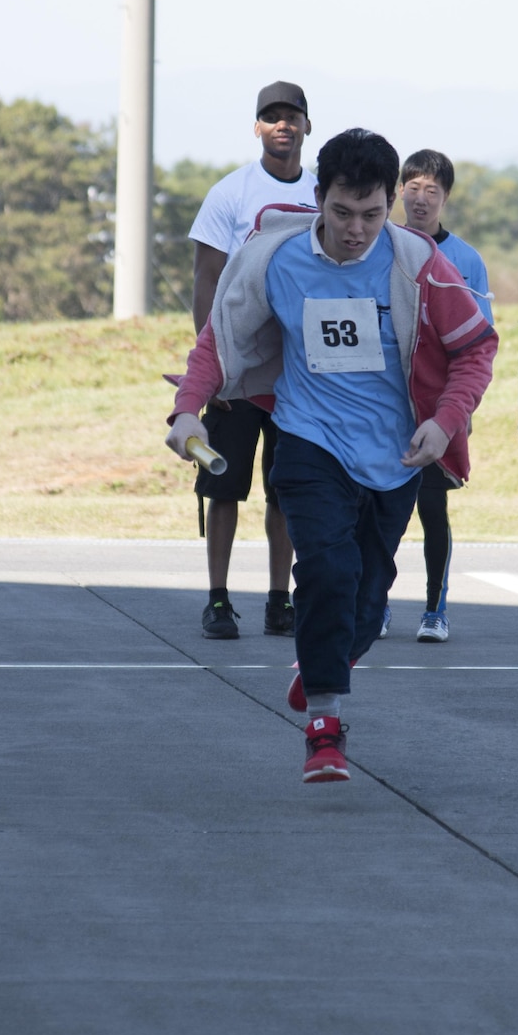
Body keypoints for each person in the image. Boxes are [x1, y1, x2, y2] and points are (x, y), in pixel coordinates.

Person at [165, 129, 496, 782]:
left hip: (397, 458)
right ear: (319, 199)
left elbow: (475, 348)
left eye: (373, 214)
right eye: (343, 212)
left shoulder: (416, 262)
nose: (356, 229)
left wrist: (446, 421)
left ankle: (322, 664)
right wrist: (186, 410)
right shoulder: (275, 259)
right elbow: (218, 342)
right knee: (328, 572)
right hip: (308, 441)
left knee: (368, 605)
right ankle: (325, 727)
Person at [183, 81, 316, 639]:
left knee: (284, 492)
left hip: (298, 373)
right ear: (257, 127)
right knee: (223, 488)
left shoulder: (322, 191)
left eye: (292, 116)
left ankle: (279, 600)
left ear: (308, 126)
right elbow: (207, 278)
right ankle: (217, 600)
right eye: (271, 117)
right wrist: (212, 364)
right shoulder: (230, 193)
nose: (282, 125)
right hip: (237, 371)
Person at [393, 149, 493, 643]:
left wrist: (460, 411)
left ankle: (435, 608)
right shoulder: (380, 245)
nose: (420, 199)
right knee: (379, 509)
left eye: (432, 190)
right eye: (412, 187)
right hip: (387, 406)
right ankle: (377, 600)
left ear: (446, 199)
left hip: (438, 410)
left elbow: (478, 345)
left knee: (433, 509)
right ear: (398, 192)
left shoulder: (466, 260)